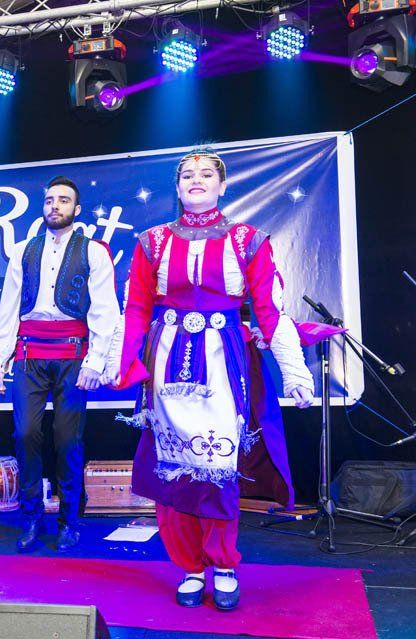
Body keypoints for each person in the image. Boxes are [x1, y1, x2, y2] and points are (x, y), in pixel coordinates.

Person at [106, 148, 314, 610]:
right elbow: (135, 307)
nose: (195, 180)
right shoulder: (152, 241)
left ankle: (222, 563)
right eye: (187, 175)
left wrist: (295, 372)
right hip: (167, 362)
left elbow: (270, 312)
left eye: (206, 174)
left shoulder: (248, 240)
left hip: (224, 361)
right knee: (172, 466)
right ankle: (189, 566)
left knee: (217, 468)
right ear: (178, 188)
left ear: (223, 186)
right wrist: (118, 361)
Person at [0, 176, 120, 553]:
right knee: (25, 434)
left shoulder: (93, 251)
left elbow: (106, 310)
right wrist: (0, 359)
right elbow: (8, 308)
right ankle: (30, 518)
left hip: (74, 357)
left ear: (76, 210)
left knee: (67, 440)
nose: (54, 206)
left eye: (63, 200)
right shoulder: (23, 251)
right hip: (29, 354)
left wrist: (96, 361)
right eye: (49, 200)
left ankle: (69, 521)